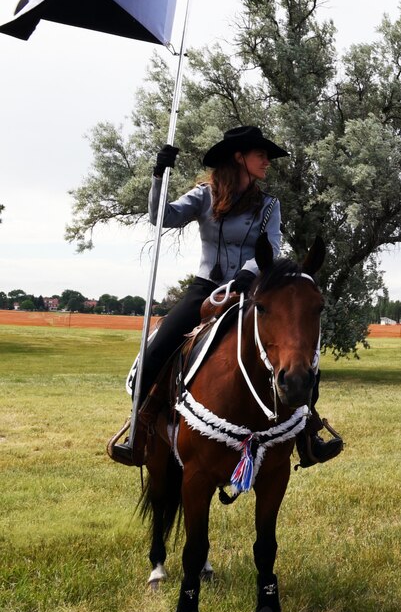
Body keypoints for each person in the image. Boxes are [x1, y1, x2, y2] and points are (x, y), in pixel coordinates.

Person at [108, 126, 342, 468]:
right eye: (261, 154)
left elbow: (273, 245)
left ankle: (308, 432)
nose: (267, 162)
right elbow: (163, 217)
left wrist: (248, 274)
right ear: (239, 156)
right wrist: (159, 175)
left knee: (301, 352)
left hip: (252, 289)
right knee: (159, 348)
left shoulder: (268, 205)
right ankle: (140, 426)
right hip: (206, 289)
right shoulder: (205, 195)